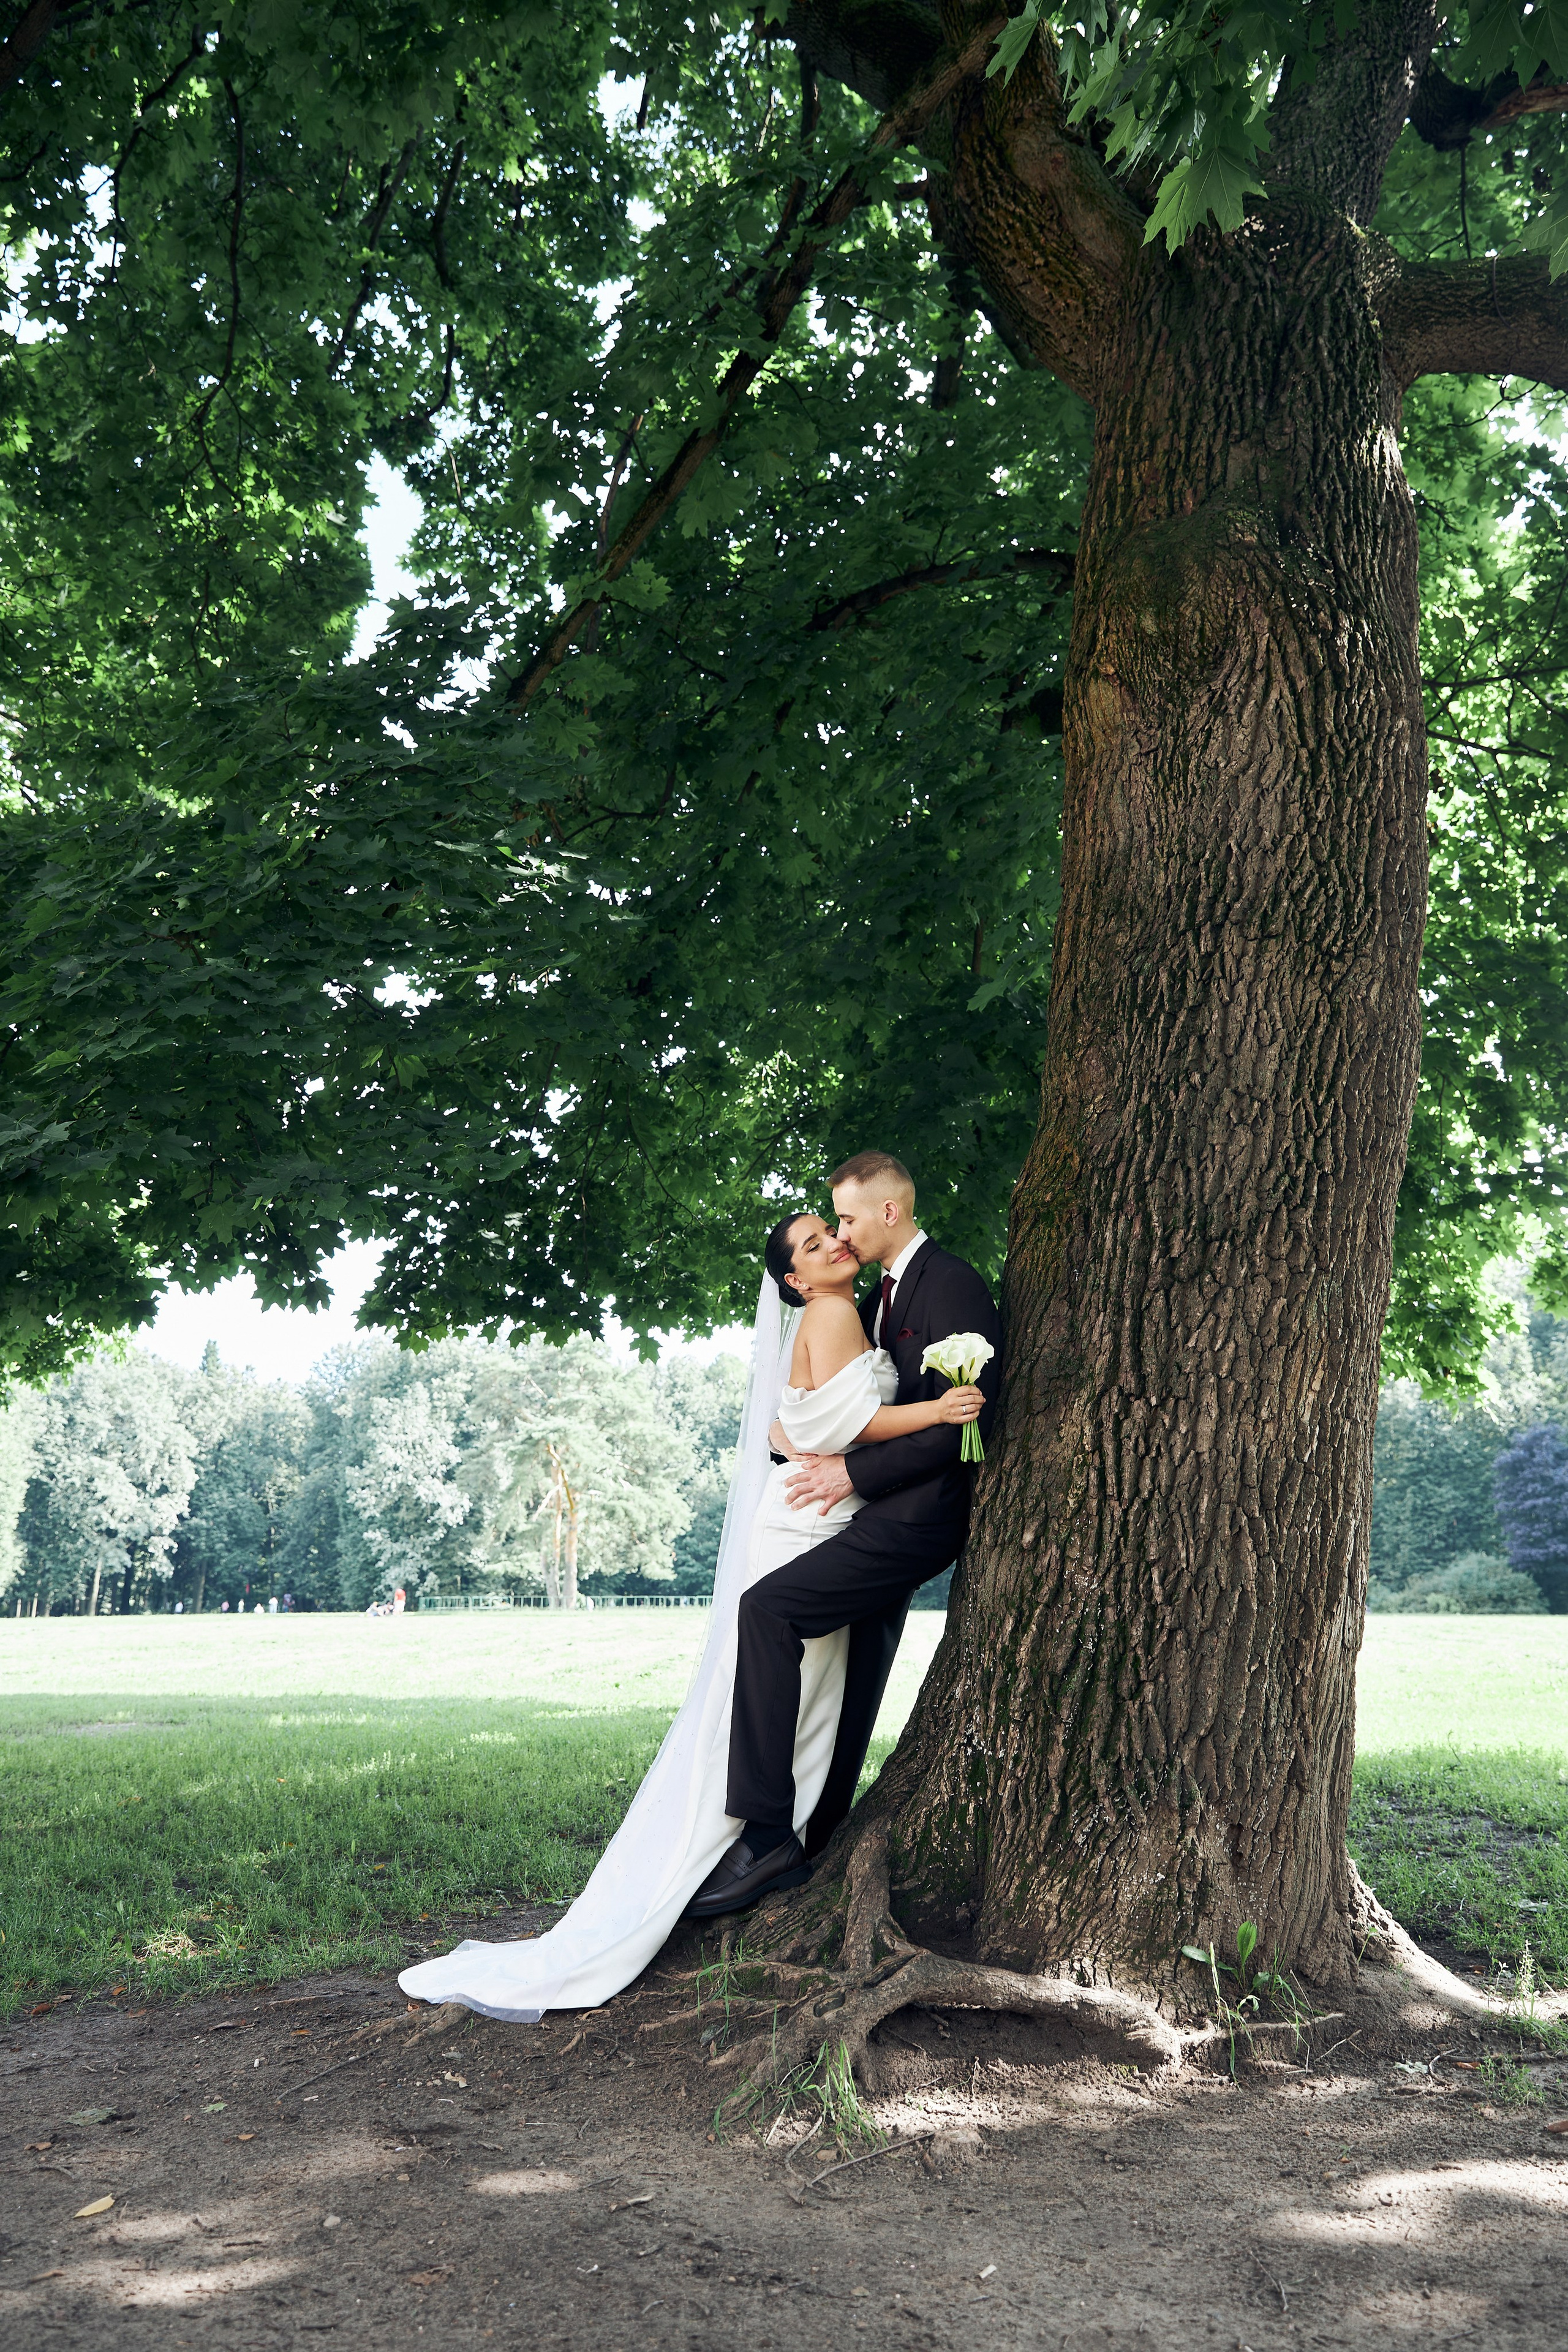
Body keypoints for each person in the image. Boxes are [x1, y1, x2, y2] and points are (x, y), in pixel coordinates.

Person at [398, 1178, 988, 2023]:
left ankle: (769, 1835)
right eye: (814, 1244)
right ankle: (764, 1834)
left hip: (814, 1511)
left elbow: (795, 1425)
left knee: (795, 1681)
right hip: (814, 1515)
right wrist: (935, 1406)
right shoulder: (830, 1313)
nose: (831, 1245)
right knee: (784, 1648)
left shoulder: (842, 1312)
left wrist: (839, 1436)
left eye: (832, 1231)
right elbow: (843, 1426)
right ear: (793, 1281)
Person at [687, 1149, 1001, 1917]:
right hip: (869, 1508)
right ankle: (816, 1836)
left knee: (770, 1610)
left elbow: (966, 1417)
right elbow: (827, 1406)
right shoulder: (872, 1300)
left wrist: (852, 1476)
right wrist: (791, 1438)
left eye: (849, 1219)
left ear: (888, 1213)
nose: (841, 1233)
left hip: (916, 1514)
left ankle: (767, 1839)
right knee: (853, 1675)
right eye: (829, 1227)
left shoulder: (950, 1283)